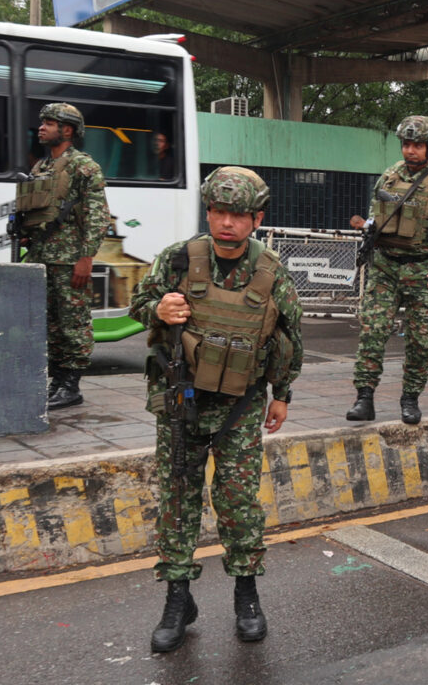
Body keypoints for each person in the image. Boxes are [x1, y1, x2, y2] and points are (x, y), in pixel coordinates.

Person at [130, 166, 304, 653]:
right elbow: (138, 303)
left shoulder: (271, 270)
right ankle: (177, 600)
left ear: (256, 218)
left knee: (237, 503)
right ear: (209, 211)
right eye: (219, 211)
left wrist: (283, 394)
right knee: (178, 502)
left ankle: (246, 595)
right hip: (181, 401)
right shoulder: (179, 259)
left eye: (238, 214)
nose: (227, 222)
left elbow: (290, 338)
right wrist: (157, 310)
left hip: (241, 406)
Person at [345, 116, 428, 425]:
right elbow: (379, 214)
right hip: (386, 267)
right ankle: (364, 397)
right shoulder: (389, 176)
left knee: (420, 340)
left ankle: (410, 398)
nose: (410, 150)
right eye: (406, 144)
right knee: (372, 331)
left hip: (425, 272)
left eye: (417, 145)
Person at [15, 103, 109, 410]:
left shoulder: (84, 167)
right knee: (50, 323)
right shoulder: (40, 168)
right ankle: (57, 381)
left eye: (49, 123)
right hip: (41, 255)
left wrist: (86, 258)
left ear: (67, 130)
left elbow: (98, 216)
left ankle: (70, 386)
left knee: (72, 323)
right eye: (42, 122)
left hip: (69, 259)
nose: (41, 127)